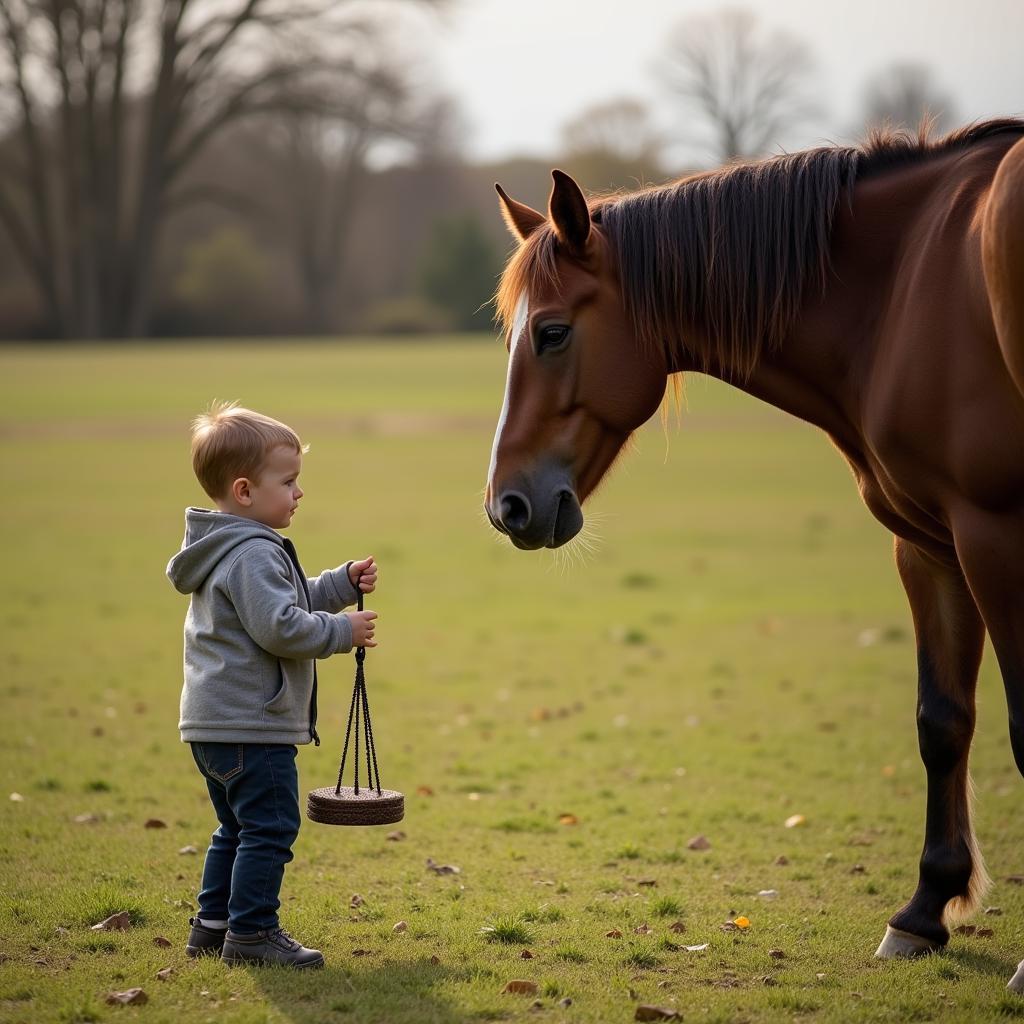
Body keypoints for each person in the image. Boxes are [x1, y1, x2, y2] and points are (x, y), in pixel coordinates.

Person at [166, 402, 378, 969]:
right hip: (252, 727)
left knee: (234, 828)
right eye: (288, 482)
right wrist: (342, 630)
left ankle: (213, 926)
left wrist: (338, 584)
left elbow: (283, 599)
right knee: (271, 827)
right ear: (243, 491)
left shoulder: (225, 548)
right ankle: (254, 933)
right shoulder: (253, 551)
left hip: (213, 726)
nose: (298, 493)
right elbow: (280, 626)